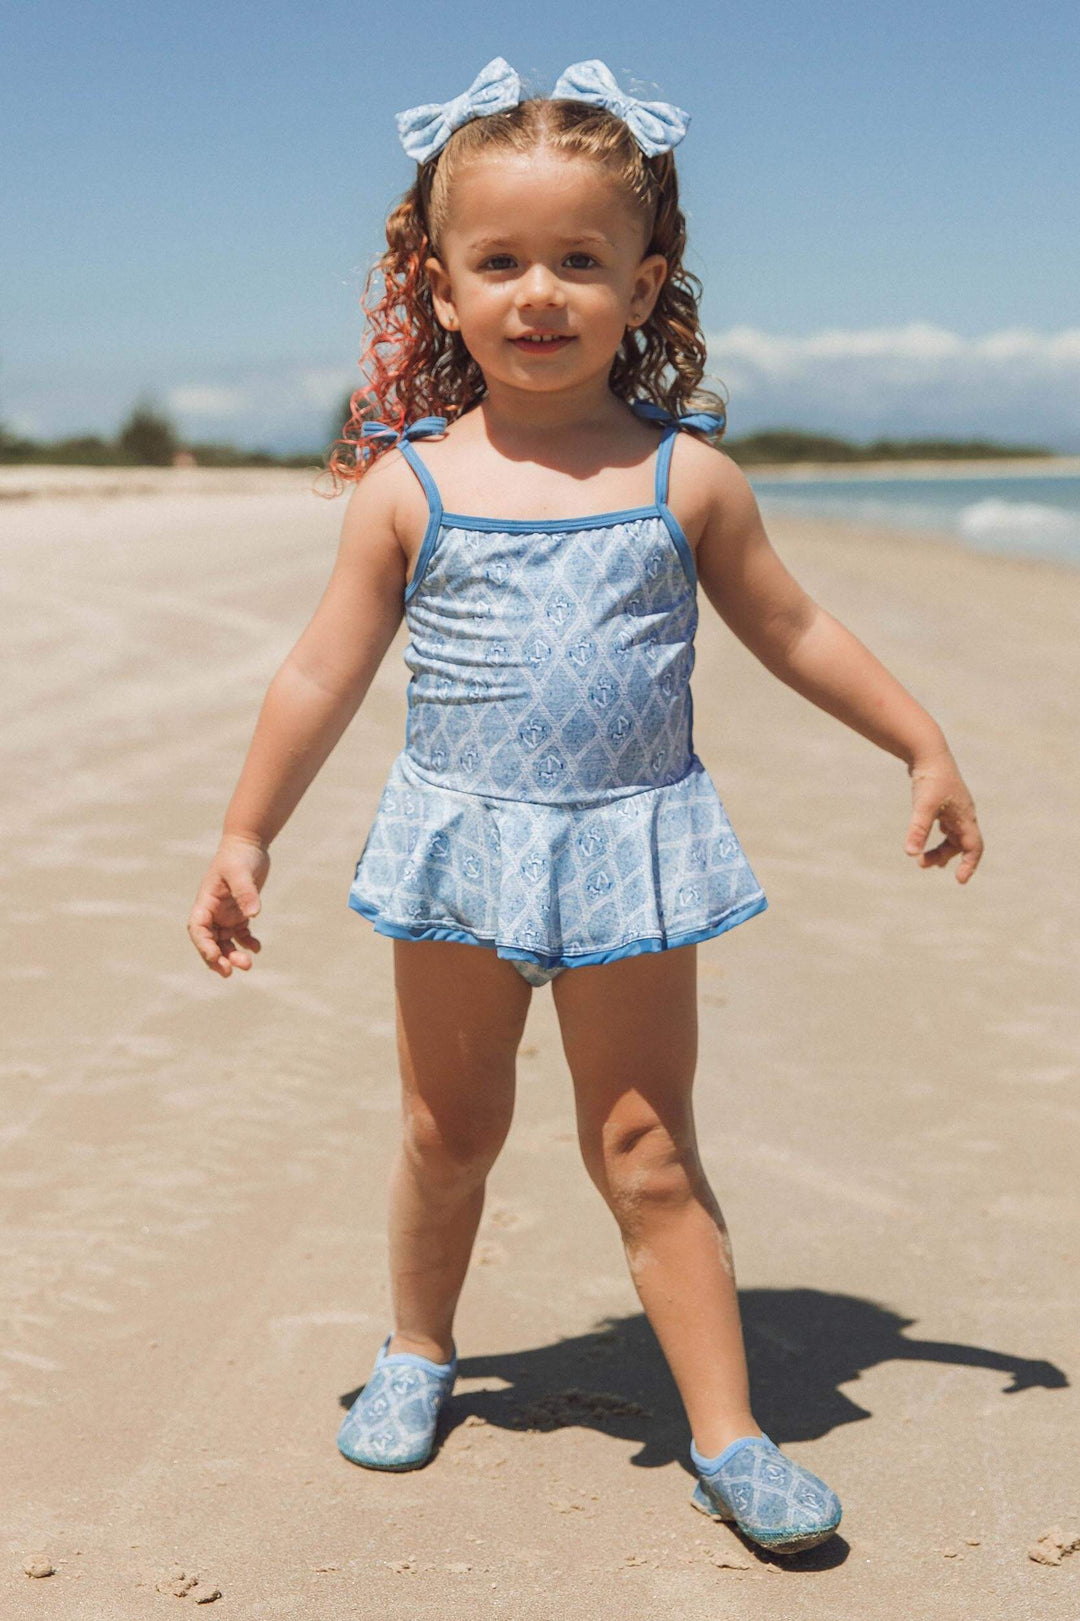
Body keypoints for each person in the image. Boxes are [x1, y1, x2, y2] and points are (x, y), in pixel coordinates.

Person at [186, 56, 983, 1557]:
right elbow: (317, 677)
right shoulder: (409, 484)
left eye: (578, 260)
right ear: (438, 287)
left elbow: (796, 631)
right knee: (449, 1128)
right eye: (499, 261)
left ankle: (730, 1431)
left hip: (632, 846)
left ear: (645, 280)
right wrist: (247, 831)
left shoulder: (688, 481)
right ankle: (420, 1348)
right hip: (463, 843)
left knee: (649, 1148)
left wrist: (920, 742)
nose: (537, 291)